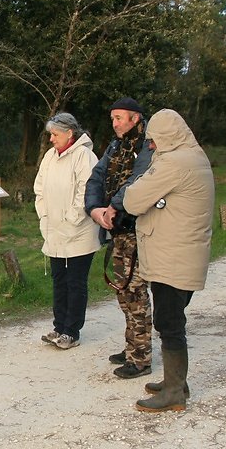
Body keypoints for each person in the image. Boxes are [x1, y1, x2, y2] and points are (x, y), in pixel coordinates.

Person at [123, 108, 215, 412]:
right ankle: (176, 381)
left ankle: (174, 392)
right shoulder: (195, 156)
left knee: (169, 322)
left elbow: (132, 200)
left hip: (172, 256)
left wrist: (145, 192)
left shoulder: (174, 162)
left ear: (168, 137)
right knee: (172, 318)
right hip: (181, 252)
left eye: (154, 139)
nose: (151, 145)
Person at [85, 97, 154, 379]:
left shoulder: (148, 145)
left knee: (135, 292)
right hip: (116, 229)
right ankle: (131, 347)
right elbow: (97, 176)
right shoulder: (116, 145)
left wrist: (114, 206)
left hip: (137, 229)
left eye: (119, 118)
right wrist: (95, 209)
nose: (114, 123)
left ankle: (141, 358)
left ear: (135, 118)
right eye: (112, 118)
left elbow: (139, 181)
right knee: (122, 291)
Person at [33, 112, 101, 350]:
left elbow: (87, 191)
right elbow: (39, 188)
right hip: (54, 230)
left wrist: (71, 218)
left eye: (55, 134)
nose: (51, 139)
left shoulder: (84, 156)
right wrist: (44, 215)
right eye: (50, 134)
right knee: (59, 280)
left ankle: (72, 331)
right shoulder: (50, 156)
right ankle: (59, 326)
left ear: (69, 133)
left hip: (79, 231)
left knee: (75, 282)